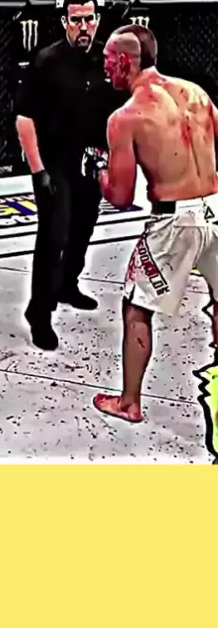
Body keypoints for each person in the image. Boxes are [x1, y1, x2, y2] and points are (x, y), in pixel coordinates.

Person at [89, 24, 218, 423]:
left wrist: (97, 172)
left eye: (107, 60)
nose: (104, 68)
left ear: (124, 61)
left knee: (137, 307)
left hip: (174, 221)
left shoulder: (126, 117)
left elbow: (120, 196)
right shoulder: (197, 93)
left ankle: (129, 403)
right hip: (217, 207)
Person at [15, 0, 126, 350]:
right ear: (65, 21)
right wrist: (38, 170)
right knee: (54, 235)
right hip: (54, 161)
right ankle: (39, 312)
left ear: (98, 20)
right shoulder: (46, 60)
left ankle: (67, 285)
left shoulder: (107, 59)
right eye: (76, 19)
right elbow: (24, 117)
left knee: (83, 228)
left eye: (89, 19)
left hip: (91, 160)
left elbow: (121, 112)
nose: (84, 26)